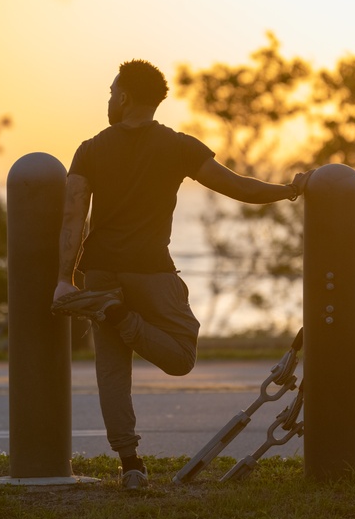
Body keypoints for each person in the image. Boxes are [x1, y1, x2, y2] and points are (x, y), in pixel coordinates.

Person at [51, 59, 312, 490]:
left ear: (125, 97)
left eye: (112, 92)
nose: (109, 99)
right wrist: (290, 189)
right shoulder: (177, 147)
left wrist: (66, 279)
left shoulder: (90, 149)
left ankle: (131, 465)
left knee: (112, 373)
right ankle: (118, 315)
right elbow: (240, 188)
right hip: (150, 269)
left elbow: (72, 216)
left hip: (98, 272)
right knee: (182, 356)